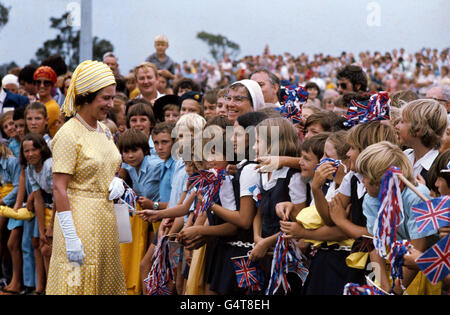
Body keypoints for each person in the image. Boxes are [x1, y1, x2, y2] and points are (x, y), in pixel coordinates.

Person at [46, 60, 126, 295]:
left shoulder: (105, 130)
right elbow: (59, 188)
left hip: (105, 219)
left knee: (104, 281)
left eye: (112, 98)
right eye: (105, 98)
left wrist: (116, 180)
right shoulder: (68, 134)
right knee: (76, 282)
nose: (110, 105)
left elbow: (110, 166)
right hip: (78, 220)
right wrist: (70, 236)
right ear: (87, 96)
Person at [356, 141, 440, 295]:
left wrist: (396, 291)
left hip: (420, 269)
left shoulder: (415, 197)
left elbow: (417, 250)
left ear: (383, 180)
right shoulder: (370, 199)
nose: (362, 181)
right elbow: (376, 250)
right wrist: (385, 290)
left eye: (365, 176)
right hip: (393, 270)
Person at [248, 117, 305, 293]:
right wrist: (258, 238)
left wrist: (266, 242)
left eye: (258, 141)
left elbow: (300, 222)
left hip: (286, 259)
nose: (254, 147)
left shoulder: (293, 176)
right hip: (263, 252)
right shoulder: (263, 172)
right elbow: (258, 212)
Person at [117, 128, 162, 295]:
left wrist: (154, 204)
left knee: (154, 264)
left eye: (134, 150)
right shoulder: (129, 168)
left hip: (163, 216)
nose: (130, 155)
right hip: (148, 220)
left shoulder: (156, 165)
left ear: (144, 149)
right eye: (126, 152)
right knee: (146, 263)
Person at [18, 133, 54, 295]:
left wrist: (51, 227)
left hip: (65, 206)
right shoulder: (31, 169)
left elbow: (59, 196)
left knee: (50, 249)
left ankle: (54, 289)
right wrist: (41, 231)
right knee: (43, 246)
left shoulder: (49, 165)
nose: (30, 154)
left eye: (34, 150)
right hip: (50, 206)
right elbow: (38, 198)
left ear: (42, 150)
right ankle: (48, 288)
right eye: (26, 151)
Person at [395, 99, 447, 186]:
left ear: (418, 129)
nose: (396, 126)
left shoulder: (438, 168)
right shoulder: (404, 156)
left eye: (402, 122)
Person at [0, 142, 21, 295]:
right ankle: (6, 275)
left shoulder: (11, 161)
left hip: (16, 204)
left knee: (11, 242)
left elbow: (18, 187)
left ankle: (13, 278)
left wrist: (3, 202)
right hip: (3, 204)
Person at [33, 66, 61, 138]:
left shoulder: (53, 107)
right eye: (38, 82)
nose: (42, 86)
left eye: (46, 83)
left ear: (52, 85)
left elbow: (36, 130)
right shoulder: (36, 103)